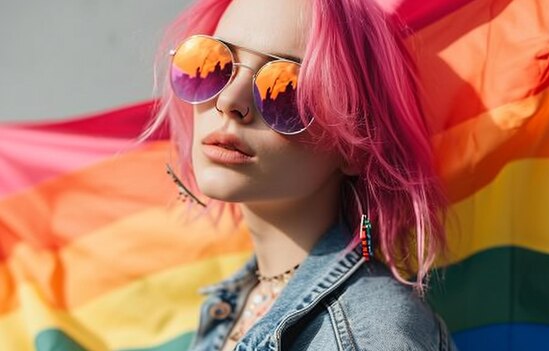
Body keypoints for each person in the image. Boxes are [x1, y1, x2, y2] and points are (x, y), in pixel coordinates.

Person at [140, 0, 458, 349]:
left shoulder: (371, 334)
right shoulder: (238, 300)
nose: (229, 101)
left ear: (355, 145)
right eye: (213, 63)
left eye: (286, 88)